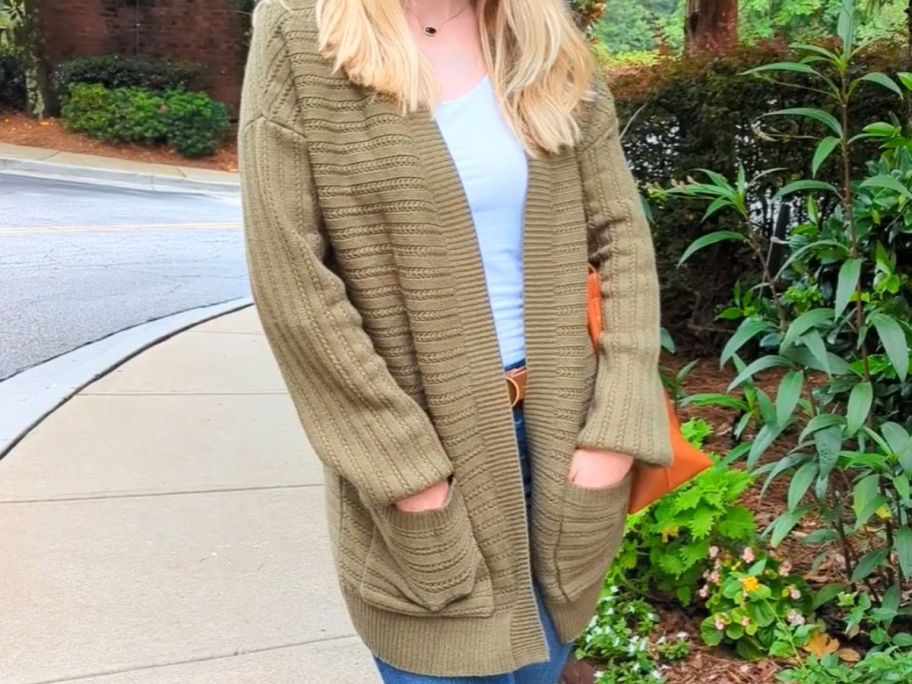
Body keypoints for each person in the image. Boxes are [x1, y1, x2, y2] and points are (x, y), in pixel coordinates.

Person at [237, 0, 673, 681]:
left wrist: (614, 432)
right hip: (422, 461)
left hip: (563, 449)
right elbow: (291, 279)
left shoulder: (541, 33)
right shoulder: (303, 30)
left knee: (544, 664)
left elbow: (621, 237)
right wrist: (409, 478)